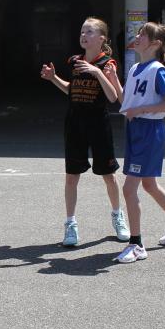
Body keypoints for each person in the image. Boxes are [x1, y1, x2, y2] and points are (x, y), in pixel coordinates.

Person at [39, 18, 129, 247]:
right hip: (75, 124)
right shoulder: (75, 61)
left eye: (89, 32)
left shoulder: (108, 63)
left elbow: (111, 98)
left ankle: (118, 216)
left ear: (101, 39)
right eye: (82, 31)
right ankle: (70, 224)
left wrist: (97, 73)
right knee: (71, 176)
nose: (83, 35)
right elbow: (71, 89)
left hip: (98, 124)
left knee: (109, 175)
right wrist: (53, 79)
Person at [114, 22, 165, 264]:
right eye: (137, 33)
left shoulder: (158, 70)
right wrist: (108, 78)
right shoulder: (136, 68)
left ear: (156, 43)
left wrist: (142, 109)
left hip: (149, 130)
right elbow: (125, 101)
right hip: (137, 128)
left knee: (129, 188)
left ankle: (136, 244)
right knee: (149, 184)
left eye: (142, 34)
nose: (137, 37)